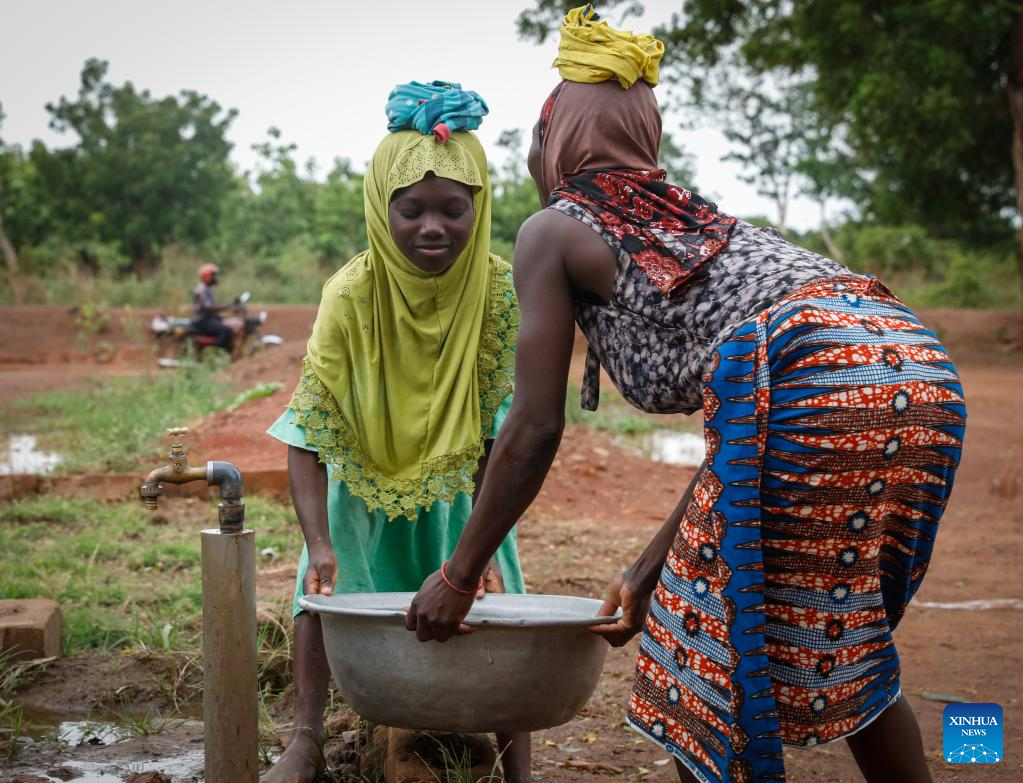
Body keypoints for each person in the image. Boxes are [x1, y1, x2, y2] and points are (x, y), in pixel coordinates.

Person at [405, 7, 966, 783]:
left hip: (813, 369)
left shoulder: (554, 228)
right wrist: (640, 573)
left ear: (554, 136)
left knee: (694, 650)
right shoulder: (701, 225)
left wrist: (459, 575)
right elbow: (741, 441)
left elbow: (534, 424)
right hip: (912, 361)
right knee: (841, 630)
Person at [261, 81, 531, 783]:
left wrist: (483, 544)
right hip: (361, 476)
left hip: (462, 485)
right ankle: (305, 738)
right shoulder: (351, 292)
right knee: (317, 597)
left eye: (453, 209)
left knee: (500, 608)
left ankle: (517, 765)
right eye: (410, 210)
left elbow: (499, 433)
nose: (432, 227)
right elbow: (307, 431)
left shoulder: (498, 291)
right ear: (382, 210)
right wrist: (319, 542)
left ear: (481, 208)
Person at [191, 263, 234, 350]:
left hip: (207, 318)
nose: (216, 278)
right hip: (201, 320)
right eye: (214, 276)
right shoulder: (201, 289)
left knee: (230, 322)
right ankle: (214, 352)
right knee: (225, 330)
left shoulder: (206, 289)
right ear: (207, 276)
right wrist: (228, 306)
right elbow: (208, 307)